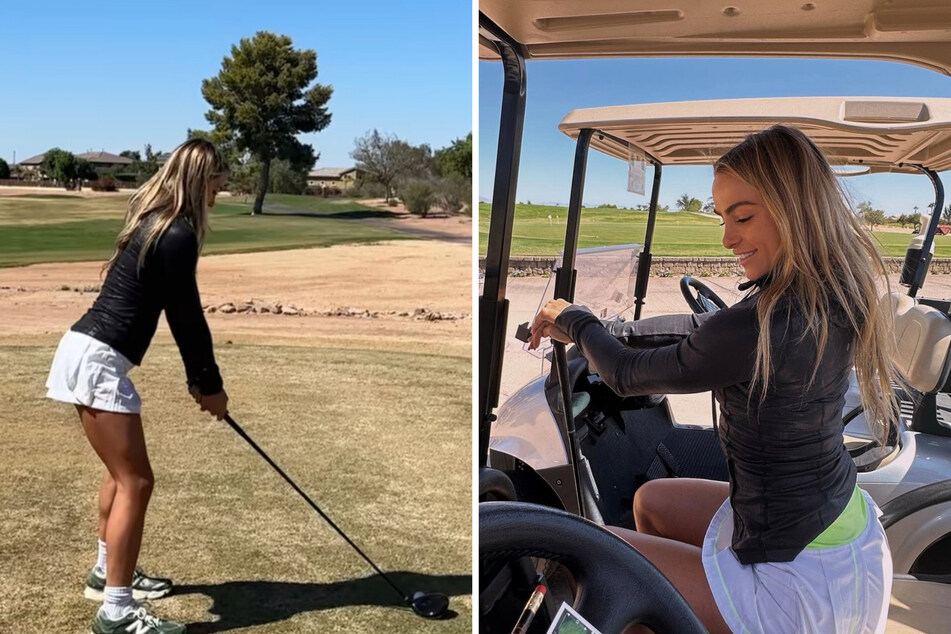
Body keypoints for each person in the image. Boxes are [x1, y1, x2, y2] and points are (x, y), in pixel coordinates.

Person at [530, 125, 896, 634]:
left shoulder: (760, 327)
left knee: (592, 564)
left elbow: (624, 375)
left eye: (743, 217)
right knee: (649, 503)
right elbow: (699, 332)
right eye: (723, 216)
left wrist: (576, 320)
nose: (727, 238)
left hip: (800, 581)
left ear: (796, 209)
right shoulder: (826, 292)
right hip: (837, 530)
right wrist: (618, 329)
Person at [45, 138, 230, 634]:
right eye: (217, 181)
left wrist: (201, 380)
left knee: (119, 473)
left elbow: (177, 312)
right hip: (97, 359)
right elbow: (186, 317)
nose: (220, 190)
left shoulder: (156, 221)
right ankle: (117, 612)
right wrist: (207, 384)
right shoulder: (176, 233)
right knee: (136, 482)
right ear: (200, 178)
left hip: (85, 352)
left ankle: (107, 573)